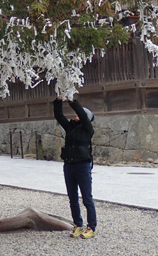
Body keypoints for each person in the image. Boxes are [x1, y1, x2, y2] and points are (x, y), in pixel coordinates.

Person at [53, 96, 97, 239]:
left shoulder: (87, 128)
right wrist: (59, 101)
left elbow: (82, 115)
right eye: (75, 113)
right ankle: (77, 225)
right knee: (72, 198)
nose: (75, 114)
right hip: (69, 166)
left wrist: (72, 100)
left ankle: (91, 227)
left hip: (82, 166)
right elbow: (59, 116)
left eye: (78, 113)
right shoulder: (70, 127)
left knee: (87, 199)